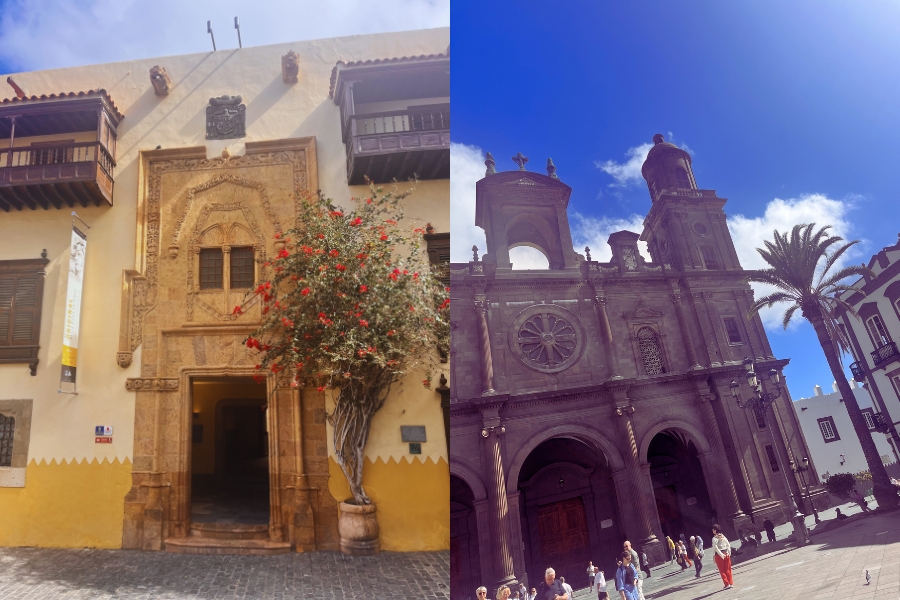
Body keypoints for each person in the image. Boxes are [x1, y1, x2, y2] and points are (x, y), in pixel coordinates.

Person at [712, 524, 734, 590]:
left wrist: (721, 554)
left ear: (715, 530)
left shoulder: (714, 538)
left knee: (722, 570)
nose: (712, 531)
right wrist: (728, 552)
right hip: (726, 553)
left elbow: (715, 548)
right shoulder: (723, 536)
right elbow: (728, 544)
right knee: (728, 569)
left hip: (719, 555)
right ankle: (731, 583)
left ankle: (727, 584)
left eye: (713, 529)